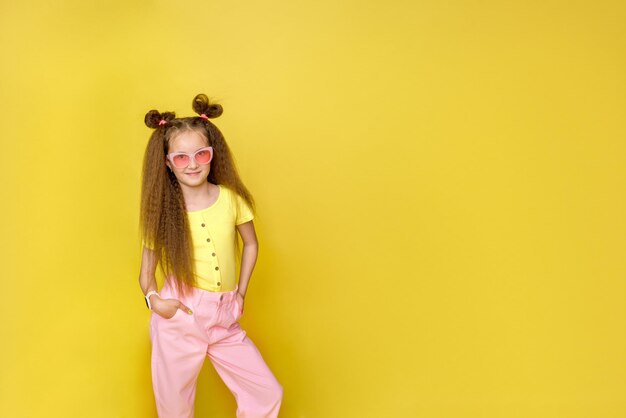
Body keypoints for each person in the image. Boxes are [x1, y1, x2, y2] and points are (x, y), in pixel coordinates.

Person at [137, 94, 283, 418]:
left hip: (224, 315)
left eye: (201, 154)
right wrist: (155, 301)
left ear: (213, 155)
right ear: (167, 162)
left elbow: (251, 245)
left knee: (267, 393)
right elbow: (145, 273)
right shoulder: (162, 212)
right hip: (180, 315)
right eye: (181, 157)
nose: (192, 164)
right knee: (174, 409)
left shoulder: (231, 200)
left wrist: (240, 293)